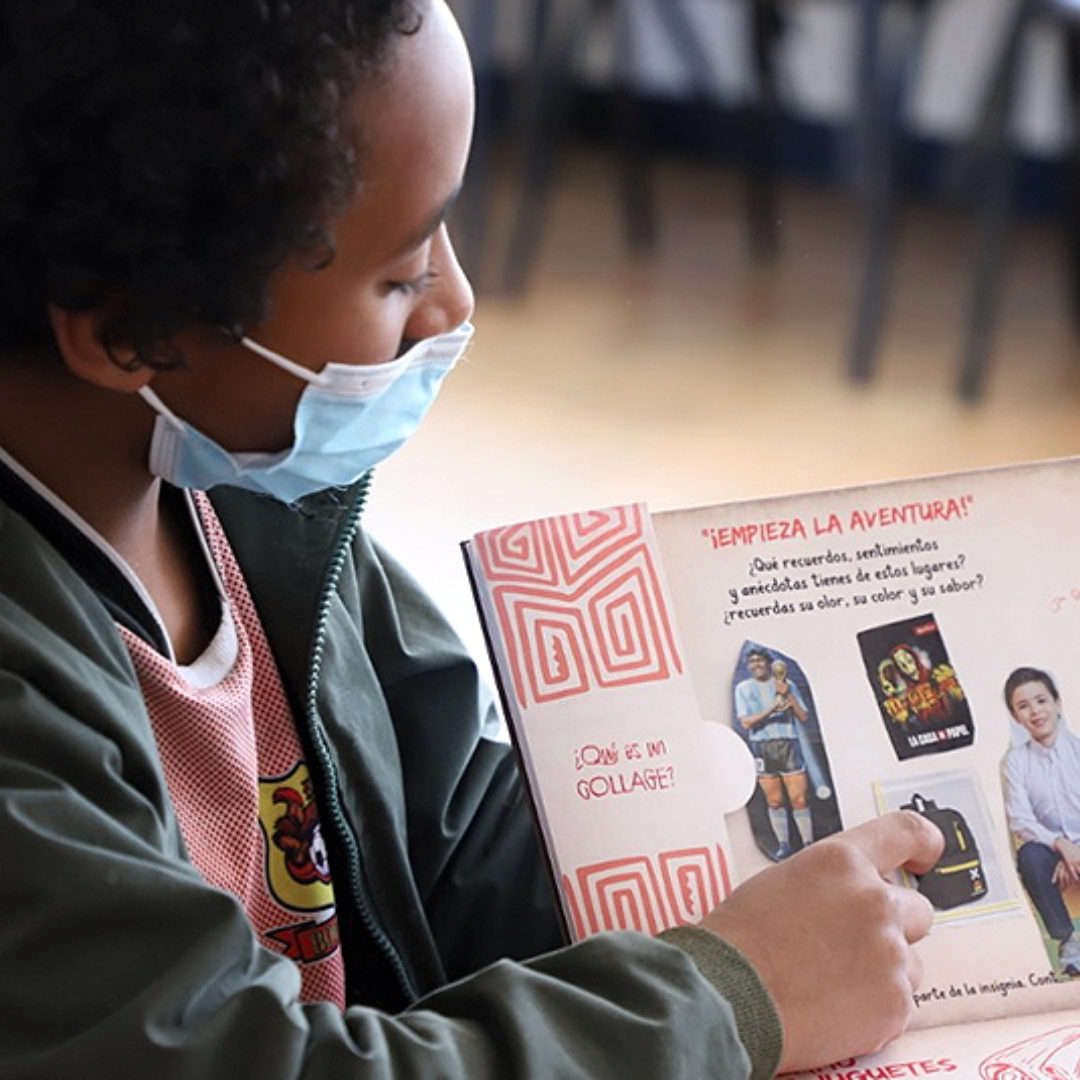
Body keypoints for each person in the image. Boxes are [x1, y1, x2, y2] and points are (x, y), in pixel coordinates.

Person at [0, 1, 944, 1077]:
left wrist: (739, 888)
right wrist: (728, 995)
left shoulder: (256, 509)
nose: (454, 304)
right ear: (132, 329)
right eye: (399, 275)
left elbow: (466, 843)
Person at [1002, 667, 1080, 977]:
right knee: (1029, 856)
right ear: (1014, 715)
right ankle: (1069, 940)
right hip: (1051, 847)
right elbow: (1020, 819)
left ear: (1058, 703)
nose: (1035, 711)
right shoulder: (1015, 762)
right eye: (1024, 706)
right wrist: (1061, 846)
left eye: (1041, 701)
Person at [735, 647, 814, 858]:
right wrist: (772, 709)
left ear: (769, 663)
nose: (757, 664)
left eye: (761, 660)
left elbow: (803, 716)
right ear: (748, 666)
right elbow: (745, 722)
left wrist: (788, 695)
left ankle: (808, 843)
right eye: (752, 661)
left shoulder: (787, 685)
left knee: (799, 799)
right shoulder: (743, 688)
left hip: (788, 743)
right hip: (762, 746)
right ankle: (784, 845)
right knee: (775, 801)